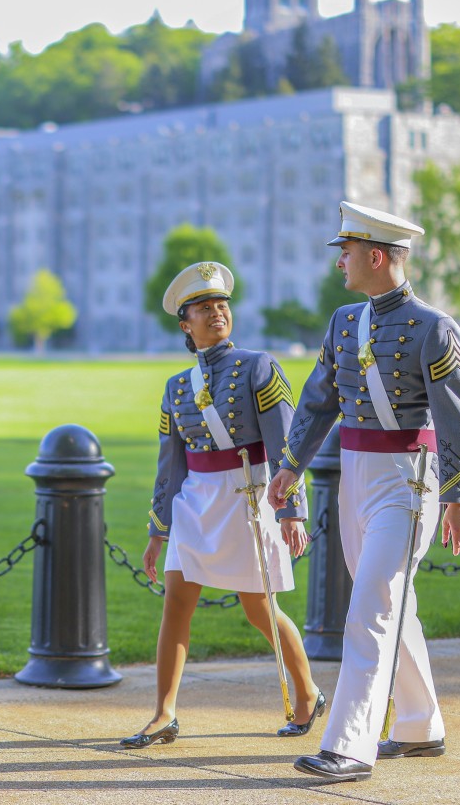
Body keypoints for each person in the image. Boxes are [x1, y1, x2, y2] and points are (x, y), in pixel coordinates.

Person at [268, 202, 460, 783]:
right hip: (356, 477)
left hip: (409, 480)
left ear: (377, 255)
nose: (340, 262)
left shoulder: (435, 328)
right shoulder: (344, 322)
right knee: (391, 603)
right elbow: (317, 400)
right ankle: (419, 726)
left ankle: (349, 745)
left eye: (347, 252)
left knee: (368, 608)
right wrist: (290, 466)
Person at [120, 261, 324, 749]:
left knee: (259, 610)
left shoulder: (259, 366)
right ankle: (163, 713)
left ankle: (308, 690)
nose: (216, 313)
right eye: (203, 308)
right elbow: (171, 467)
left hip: (247, 497)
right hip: (195, 504)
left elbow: (286, 445)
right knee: (176, 605)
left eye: (221, 305)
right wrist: (158, 530)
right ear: (184, 324)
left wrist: (292, 510)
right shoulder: (175, 388)